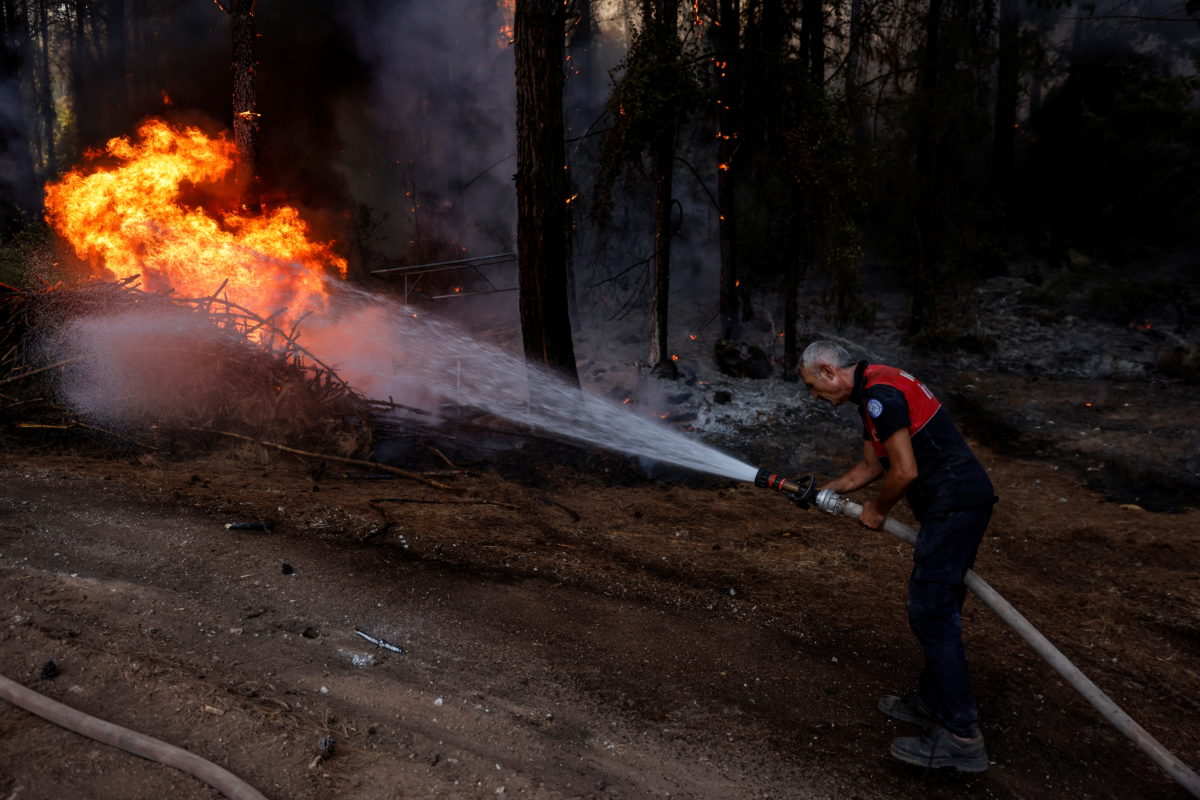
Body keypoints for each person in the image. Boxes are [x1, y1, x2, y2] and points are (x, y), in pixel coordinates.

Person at [798, 340, 997, 773]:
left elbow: (905, 471)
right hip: (953, 506)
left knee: (930, 613)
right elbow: (871, 468)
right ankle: (932, 701)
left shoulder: (880, 397)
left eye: (814, 385)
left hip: (956, 506)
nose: (815, 395)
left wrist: (878, 510)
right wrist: (822, 492)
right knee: (937, 609)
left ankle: (961, 737)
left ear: (830, 371)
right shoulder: (875, 388)